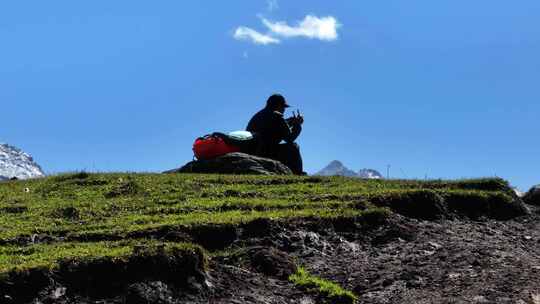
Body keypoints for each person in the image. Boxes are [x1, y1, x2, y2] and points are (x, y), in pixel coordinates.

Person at [246, 94, 305, 175]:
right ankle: (297, 173)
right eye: (283, 107)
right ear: (278, 106)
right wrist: (297, 125)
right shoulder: (277, 117)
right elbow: (289, 139)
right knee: (293, 147)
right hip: (267, 153)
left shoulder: (258, 116)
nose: (284, 109)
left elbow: (272, 128)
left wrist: (290, 122)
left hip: (254, 152)